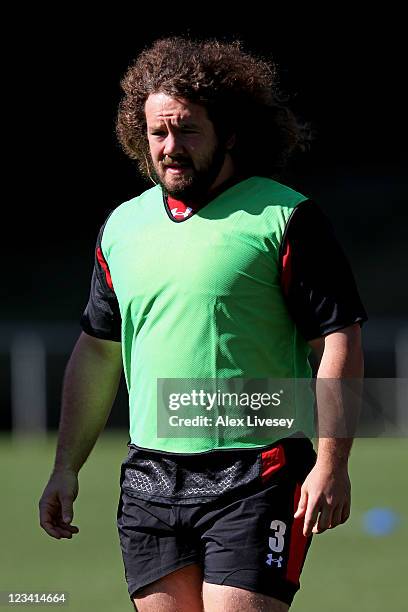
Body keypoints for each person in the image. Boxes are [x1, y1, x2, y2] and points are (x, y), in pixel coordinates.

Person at [39, 37, 367, 611]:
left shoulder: (284, 216)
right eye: (157, 133)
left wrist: (332, 464)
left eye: (187, 130)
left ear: (230, 133)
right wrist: (65, 468)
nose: (171, 147)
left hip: (257, 471)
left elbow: (339, 337)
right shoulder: (123, 227)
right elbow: (96, 352)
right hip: (149, 479)